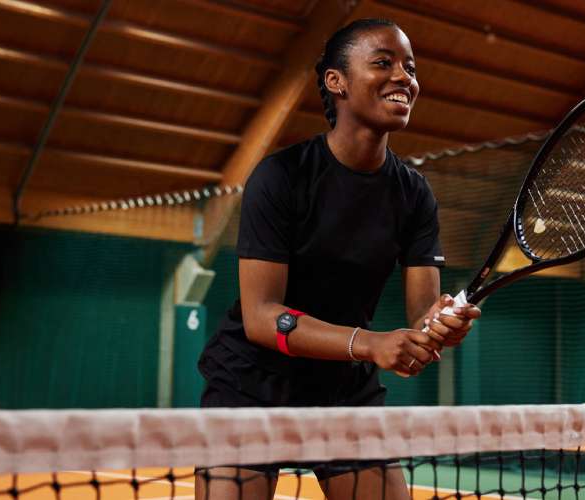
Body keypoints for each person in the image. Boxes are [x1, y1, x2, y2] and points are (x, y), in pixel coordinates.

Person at [195, 18, 481, 500]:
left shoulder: (414, 195)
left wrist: (440, 324)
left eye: (410, 67)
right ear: (337, 81)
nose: (404, 78)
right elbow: (261, 318)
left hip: (343, 389)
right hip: (251, 384)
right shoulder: (281, 177)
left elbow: (422, 311)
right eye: (383, 63)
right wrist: (370, 344)